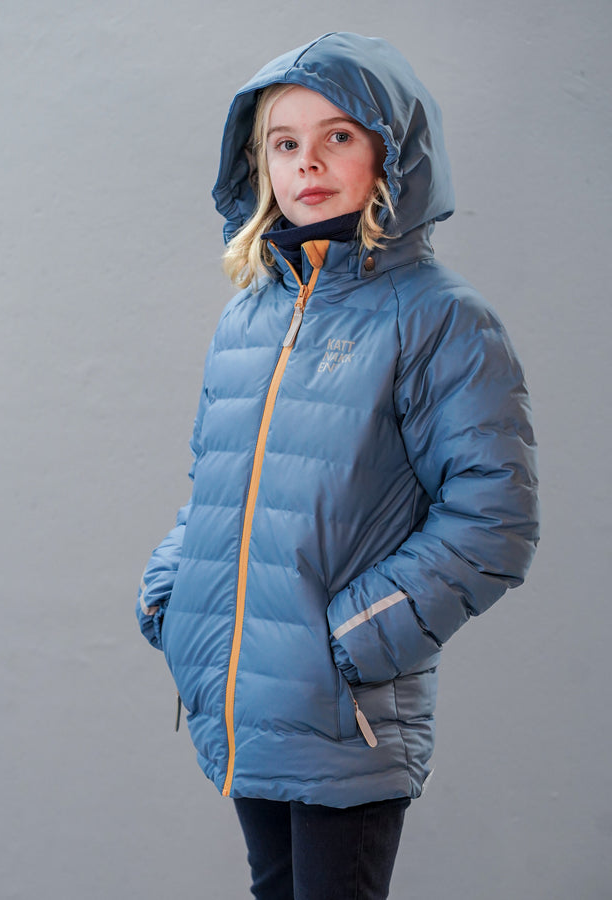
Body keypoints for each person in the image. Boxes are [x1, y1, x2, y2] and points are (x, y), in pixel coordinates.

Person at [136, 32, 539, 900]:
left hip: (344, 712)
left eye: (339, 136)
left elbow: (495, 520)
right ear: (260, 165)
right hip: (243, 698)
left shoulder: (441, 319)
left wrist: (351, 642)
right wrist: (172, 593)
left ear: (395, 153)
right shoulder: (247, 319)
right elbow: (217, 490)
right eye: (285, 143)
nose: (308, 163)